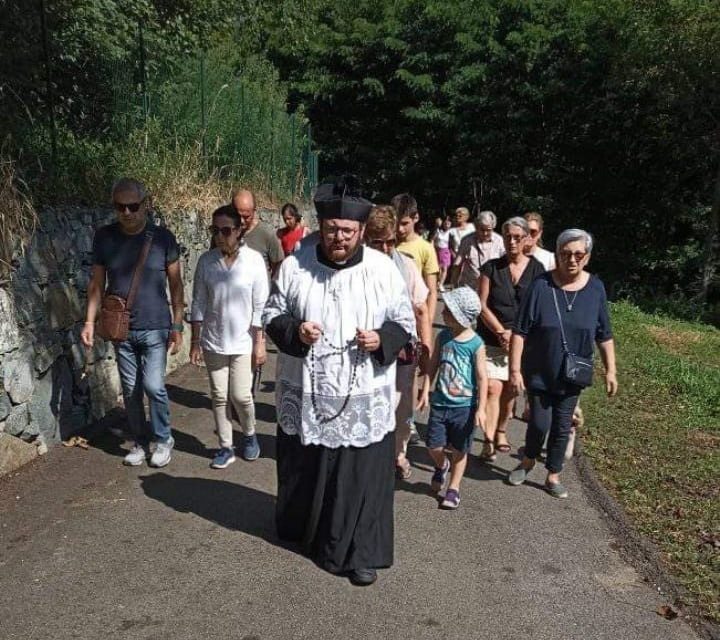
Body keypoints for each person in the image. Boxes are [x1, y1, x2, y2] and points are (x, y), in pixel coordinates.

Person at [263, 179, 416, 587]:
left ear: (361, 231)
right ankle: (309, 535)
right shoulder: (296, 266)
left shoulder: (383, 269)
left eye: (347, 232)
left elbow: (405, 322)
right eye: (332, 229)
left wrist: (381, 339)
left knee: (358, 474)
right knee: (308, 467)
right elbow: (271, 315)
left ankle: (360, 553)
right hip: (310, 391)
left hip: (363, 393)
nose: (339, 238)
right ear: (322, 226)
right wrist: (297, 331)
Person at [81, 178, 184, 467]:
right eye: (119, 207)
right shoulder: (104, 237)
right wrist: (90, 321)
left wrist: (177, 325)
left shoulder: (163, 238)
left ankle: (163, 438)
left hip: (155, 325)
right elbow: (97, 284)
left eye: (132, 206)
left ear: (145, 205)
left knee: (153, 385)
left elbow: (176, 284)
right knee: (131, 389)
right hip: (121, 328)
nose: (126, 212)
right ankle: (140, 441)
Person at [508, 228, 618, 499]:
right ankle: (528, 459)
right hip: (539, 371)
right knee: (540, 423)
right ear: (557, 254)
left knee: (562, 425)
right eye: (565, 254)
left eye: (578, 254)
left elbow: (604, 334)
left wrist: (611, 370)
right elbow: (520, 331)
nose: (571, 259)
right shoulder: (541, 286)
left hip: (573, 373)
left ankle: (553, 474)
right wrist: (514, 369)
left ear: (587, 257)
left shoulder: (595, 289)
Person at [190, 205, 269, 468]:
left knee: (242, 396)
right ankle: (225, 446)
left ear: (239, 230)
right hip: (214, 341)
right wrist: (195, 340)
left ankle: (248, 434)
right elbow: (199, 301)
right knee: (219, 395)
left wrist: (260, 344)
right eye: (215, 230)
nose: (220, 236)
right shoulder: (206, 261)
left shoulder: (254, 261)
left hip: (244, 342)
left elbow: (261, 307)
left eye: (226, 230)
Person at [363, 205, 432, 480]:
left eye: (390, 241)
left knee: (402, 410)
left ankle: (398, 454)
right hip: (367, 348)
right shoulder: (357, 267)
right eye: (377, 242)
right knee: (372, 405)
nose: (385, 248)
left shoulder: (407, 265)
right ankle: (371, 457)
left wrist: (427, 350)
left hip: (403, 350)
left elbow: (422, 309)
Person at [477, 216, 544, 460]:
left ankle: (502, 430)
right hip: (492, 339)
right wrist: (500, 332)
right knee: (493, 388)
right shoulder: (491, 268)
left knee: (510, 392)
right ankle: (488, 440)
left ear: (527, 238)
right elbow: (481, 305)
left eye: (518, 237)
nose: (512, 242)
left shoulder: (538, 270)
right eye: (508, 237)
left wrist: (516, 335)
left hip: (522, 343)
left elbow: (540, 308)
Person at [417, 287, 487, 510]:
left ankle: (454, 488)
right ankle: (441, 464)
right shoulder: (444, 337)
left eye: (447, 310)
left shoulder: (476, 344)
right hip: (440, 402)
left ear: (460, 316)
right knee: (433, 445)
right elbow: (433, 365)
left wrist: (481, 408)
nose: (443, 312)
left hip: (465, 407)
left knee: (460, 449)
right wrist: (425, 389)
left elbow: (482, 378)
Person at [392, 193, 439, 322]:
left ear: (416, 217)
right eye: (396, 224)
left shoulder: (425, 248)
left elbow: (432, 291)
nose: (400, 229)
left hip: (413, 314)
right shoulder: (385, 244)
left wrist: (427, 322)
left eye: (404, 223)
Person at [231, 189, 284, 277]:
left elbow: (278, 268)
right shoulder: (222, 234)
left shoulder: (266, 235)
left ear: (254, 211)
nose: (241, 221)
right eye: (237, 215)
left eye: (246, 217)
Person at [452, 210, 505, 289]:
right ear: (476, 227)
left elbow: (505, 265)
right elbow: (457, 264)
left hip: (492, 288)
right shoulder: (467, 240)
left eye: (488, 230)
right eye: (482, 230)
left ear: (493, 227)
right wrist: (455, 285)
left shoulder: (499, 241)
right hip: (470, 287)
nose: (485, 233)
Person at [433, 217, 453, 292]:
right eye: (445, 223)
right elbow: (433, 239)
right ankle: (438, 282)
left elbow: (452, 243)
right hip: (437, 251)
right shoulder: (438, 231)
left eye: (448, 224)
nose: (447, 225)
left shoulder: (451, 232)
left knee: (445, 268)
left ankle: (441, 284)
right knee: (438, 269)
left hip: (445, 251)